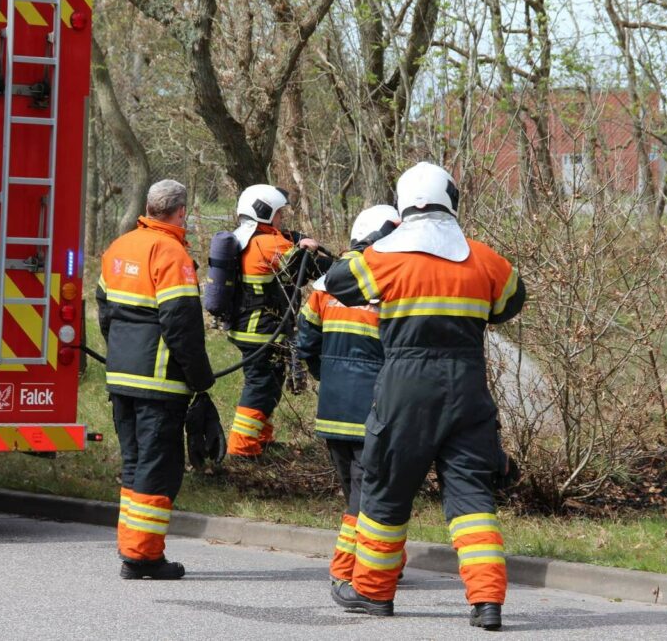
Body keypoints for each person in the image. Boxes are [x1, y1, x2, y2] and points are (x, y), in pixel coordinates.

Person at [324, 162, 526, 630]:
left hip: (405, 386)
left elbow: (337, 282)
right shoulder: (485, 259)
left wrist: (379, 240)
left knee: (386, 487)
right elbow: (510, 303)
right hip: (467, 386)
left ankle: (372, 591)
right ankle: (487, 601)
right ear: (451, 201)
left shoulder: (384, 258)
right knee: (472, 496)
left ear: (402, 205)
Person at [96, 179, 223, 580]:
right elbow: (181, 324)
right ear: (181, 212)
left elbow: (104, 311)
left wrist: (122, 353)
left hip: (121, 376)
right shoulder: (171, 252)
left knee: (134, 463)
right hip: (159, 382)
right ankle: (143, 557)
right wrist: (201, 379)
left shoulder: (120, 246)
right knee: (158, 468)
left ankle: (132, 548)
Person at [295, 205, 401, 586]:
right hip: (373, 411)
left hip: (333, 410)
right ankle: (350, 567)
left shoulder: (326, 287)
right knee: (367, 493)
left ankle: (381, 559)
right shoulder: (389, 285)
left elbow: (305, 343)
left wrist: (328, 377)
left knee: (356, 491)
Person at [225, 184, 326, 458]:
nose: (282, 219)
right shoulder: (269, 244)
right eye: (279, 213)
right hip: (262, 330)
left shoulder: (245, 238)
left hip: (248, 327)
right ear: (265, 212)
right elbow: (310, 270)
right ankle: (242, 447)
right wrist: (318, 253)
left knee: (268, 383)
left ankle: (261, 438)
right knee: (261, 386)